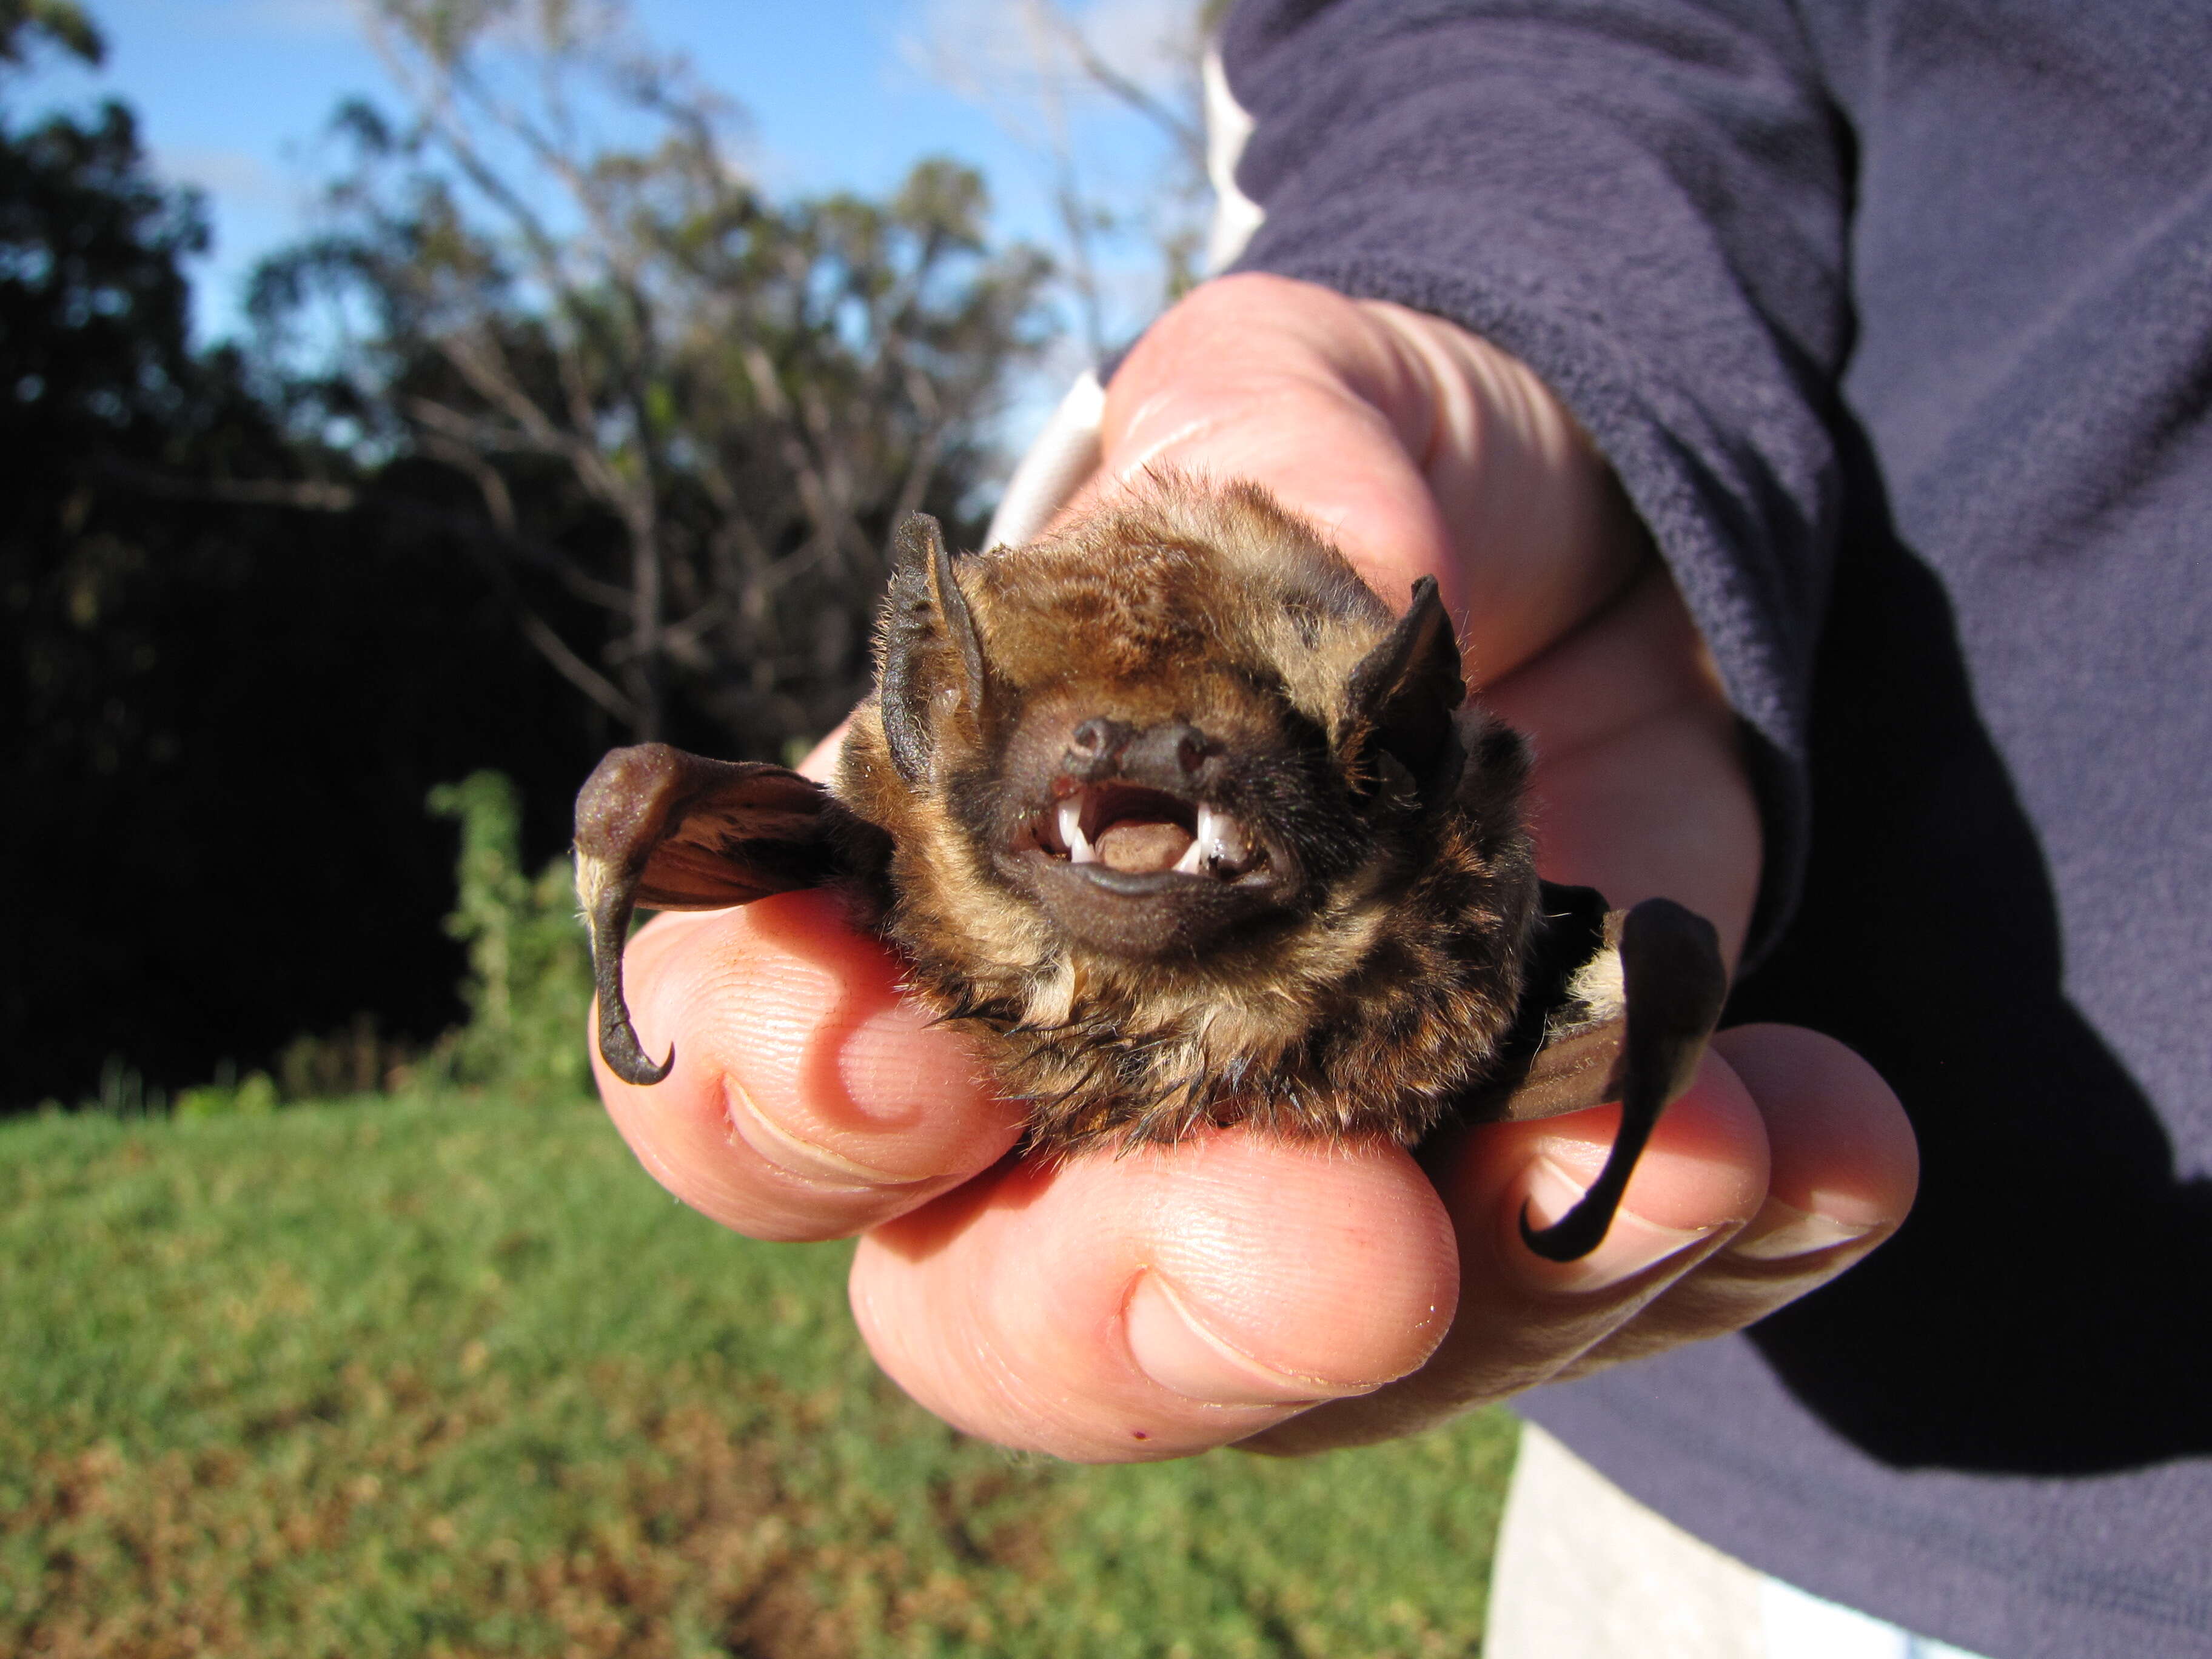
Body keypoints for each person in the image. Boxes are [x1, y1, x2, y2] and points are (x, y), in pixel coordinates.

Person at [595, 3, 2212, 1655]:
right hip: (1772, 1487)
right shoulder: (925, 842)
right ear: (950, 732)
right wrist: (1467, 337)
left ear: (1378, 760)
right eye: (1091, 754)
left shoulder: (1414, 897)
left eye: (1197, 756)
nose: (1138, 765)